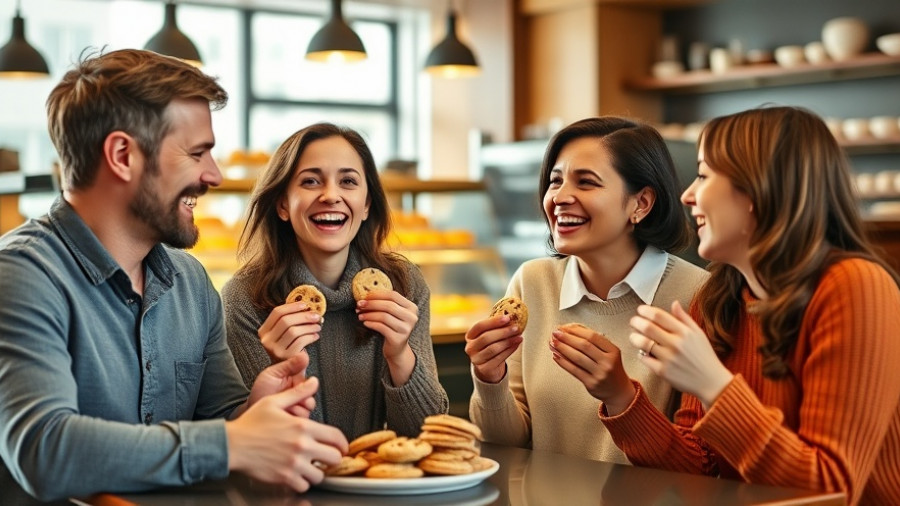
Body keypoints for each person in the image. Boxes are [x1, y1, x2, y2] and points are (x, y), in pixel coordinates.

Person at [0, 49, 349, 504]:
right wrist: (232, 443)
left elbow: (221, 426)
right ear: (123, 155)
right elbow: (42, 450)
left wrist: (252, 414)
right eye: (197, 153)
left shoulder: (190, 283)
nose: (215, 175)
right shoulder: (23, 275)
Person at [604, 106, 900, 505]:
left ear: (758, 190)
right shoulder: (718, 299)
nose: (688, 194)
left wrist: (712, 384)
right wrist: (620, 395)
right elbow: (702, 472)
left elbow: (832, 490)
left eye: (704, 175)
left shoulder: (855, 287)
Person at [465, 116, 708, 462]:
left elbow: (697, 465)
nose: (560, 197)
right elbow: (508, 446)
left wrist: (621, 395)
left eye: (587, 183)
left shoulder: (697, 295)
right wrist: (490, 378)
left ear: (640, 204)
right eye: (555, 181)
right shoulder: (531, 282)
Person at [221, 122, 449, 441]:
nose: (331, 196)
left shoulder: (404, 285)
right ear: (283, 204)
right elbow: (263, 443)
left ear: (367, 204)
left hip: (380, 486)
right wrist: (286, 370)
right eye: (311, 181)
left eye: (348, 181)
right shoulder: (246, 298)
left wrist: (400, 355)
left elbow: (427, 434)